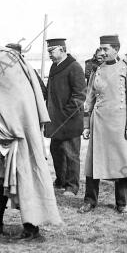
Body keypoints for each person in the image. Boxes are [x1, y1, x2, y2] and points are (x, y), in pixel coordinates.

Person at [0, 45, 63, 240]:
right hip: (5, 132)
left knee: (25, 176)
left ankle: (31, 226)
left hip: (18, 135)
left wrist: (10, 129)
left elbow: (15, 103)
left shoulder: (5, 68)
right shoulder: (20, 70)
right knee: (2, 176)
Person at [79, 35, 127, 214]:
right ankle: (90, 200)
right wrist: (86, 125)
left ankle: (121, 202)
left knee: (121, 162)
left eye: (106, 48)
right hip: (98, 124)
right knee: (93, 163)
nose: (102, 52)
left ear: (116, 49)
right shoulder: (96, 70)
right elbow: (89, 99)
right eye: (100, 48)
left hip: (119, 125)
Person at [44, 38, 86, 196]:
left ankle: (72, 186)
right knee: (57, 153)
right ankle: (60, 182)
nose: (49, 54)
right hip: (55, 121)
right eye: (48, 51)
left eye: (51, 51)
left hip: (69, 120)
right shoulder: (54, 66)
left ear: (62, 49)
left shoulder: (74, 67)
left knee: (71, 154)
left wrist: (65, 114)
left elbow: (80, 95)